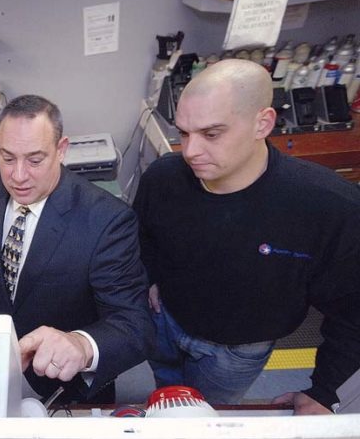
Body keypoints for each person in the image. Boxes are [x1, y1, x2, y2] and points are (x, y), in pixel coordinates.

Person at [133, 59, 360, 414]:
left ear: (262, 123)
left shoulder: (327, 206)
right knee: (166, 391)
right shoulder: (162, 179)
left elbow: (354, 308)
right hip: (166, 320)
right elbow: (143, 237)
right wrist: (150, 280)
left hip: (236, 352)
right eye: (184, 133)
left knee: (208, 417)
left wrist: (325, 390)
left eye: (211, 134)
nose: (190, 151)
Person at [0, 94, 153, 403]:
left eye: (34, 160)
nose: (18, 176)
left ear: (61, 149)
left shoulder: (107, 221)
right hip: (6, 366)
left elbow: (135, 326)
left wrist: (82, 346)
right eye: (7, 158)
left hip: (67, 381)